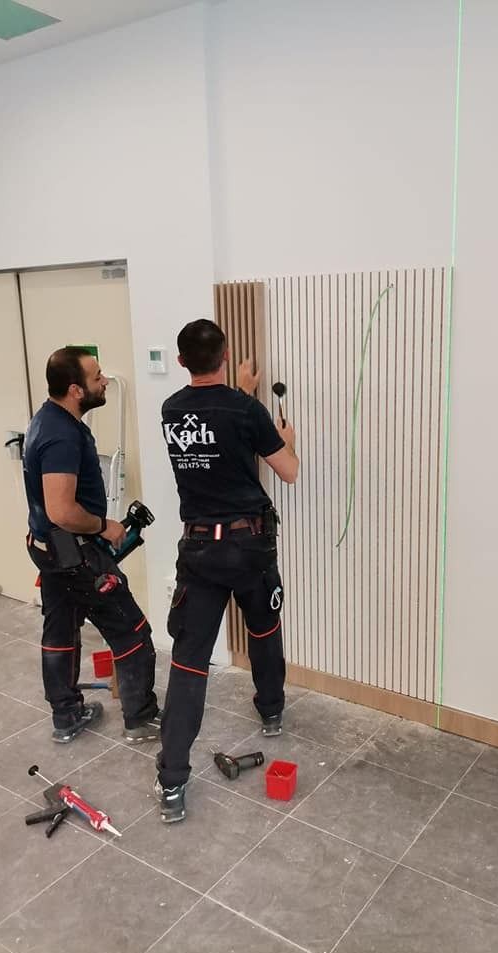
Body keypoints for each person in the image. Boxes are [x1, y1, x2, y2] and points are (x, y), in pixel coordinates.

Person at [155, 318, 299, 823]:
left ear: (180, 362)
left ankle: (171, 783)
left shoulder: (171, 410)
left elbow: (210, 427)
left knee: (189, 663)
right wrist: (286, 436)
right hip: (249, 546)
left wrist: (242, 394)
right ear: (226, 354)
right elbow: (289, 470)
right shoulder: (247, 411)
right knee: (263, 629)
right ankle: (272, 710)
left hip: (198, 552)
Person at [23, 346, 160, 743]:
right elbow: (62, 510)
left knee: (60, 631)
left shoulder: (47, 420)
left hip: (50, 549)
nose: (104, 382)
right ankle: (142, 718)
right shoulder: (62, 435)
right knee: (132, 632)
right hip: (78, 554)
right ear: (76, 389)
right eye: (97, 377)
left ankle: (66, 716)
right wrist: (105, 526)